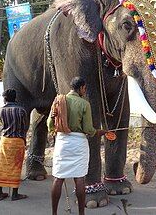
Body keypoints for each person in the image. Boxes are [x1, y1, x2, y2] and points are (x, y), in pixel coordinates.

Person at [49, 77, 106, 215]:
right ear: (81, 88)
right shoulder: (84, 104)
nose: (85, 91)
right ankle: (81, 213)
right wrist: (100, 132)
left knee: (58, 178)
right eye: (84, 88)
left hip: (62, 142)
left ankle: (54, 213)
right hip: (78, 143)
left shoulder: (58, 101)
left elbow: (50, 125)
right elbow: (88, 129)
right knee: (79, 178)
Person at [0, 89, 28, 201]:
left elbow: (2, 125)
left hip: (5, 141)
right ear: (15, 98)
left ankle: (0, 193)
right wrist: (24, 140)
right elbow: (24, 127)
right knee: (16, 167)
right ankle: (14, 194)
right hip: (18, 141)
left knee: (2, 166)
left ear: (5, 98)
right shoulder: (21, 110)